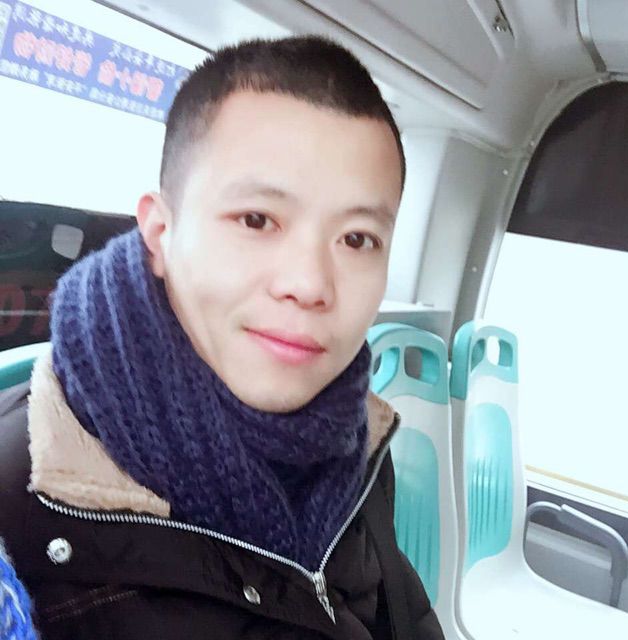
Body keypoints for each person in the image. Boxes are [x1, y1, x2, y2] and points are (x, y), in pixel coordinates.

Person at [0, 36, 445, 639]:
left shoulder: (358, 442)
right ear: (160, 233)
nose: (310, 284)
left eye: (357, 239)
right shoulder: (17, 512)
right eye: (257, 220)